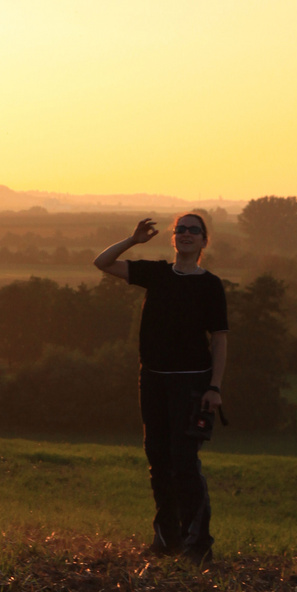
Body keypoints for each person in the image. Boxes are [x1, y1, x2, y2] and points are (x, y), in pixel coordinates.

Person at [93, 214, 228, 564]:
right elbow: (102, 262)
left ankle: (198, 546)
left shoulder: (210, 285)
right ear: (173, 238)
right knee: (158, 459)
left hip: (192, 382)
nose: (185, 234)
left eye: (193, 230)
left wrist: (214, 387)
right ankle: (166, 540)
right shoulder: (156, 274)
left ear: (203, 241)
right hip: (152, 377)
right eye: (180, 229)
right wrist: (133, 239)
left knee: (184, 462)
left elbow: (220, 340)